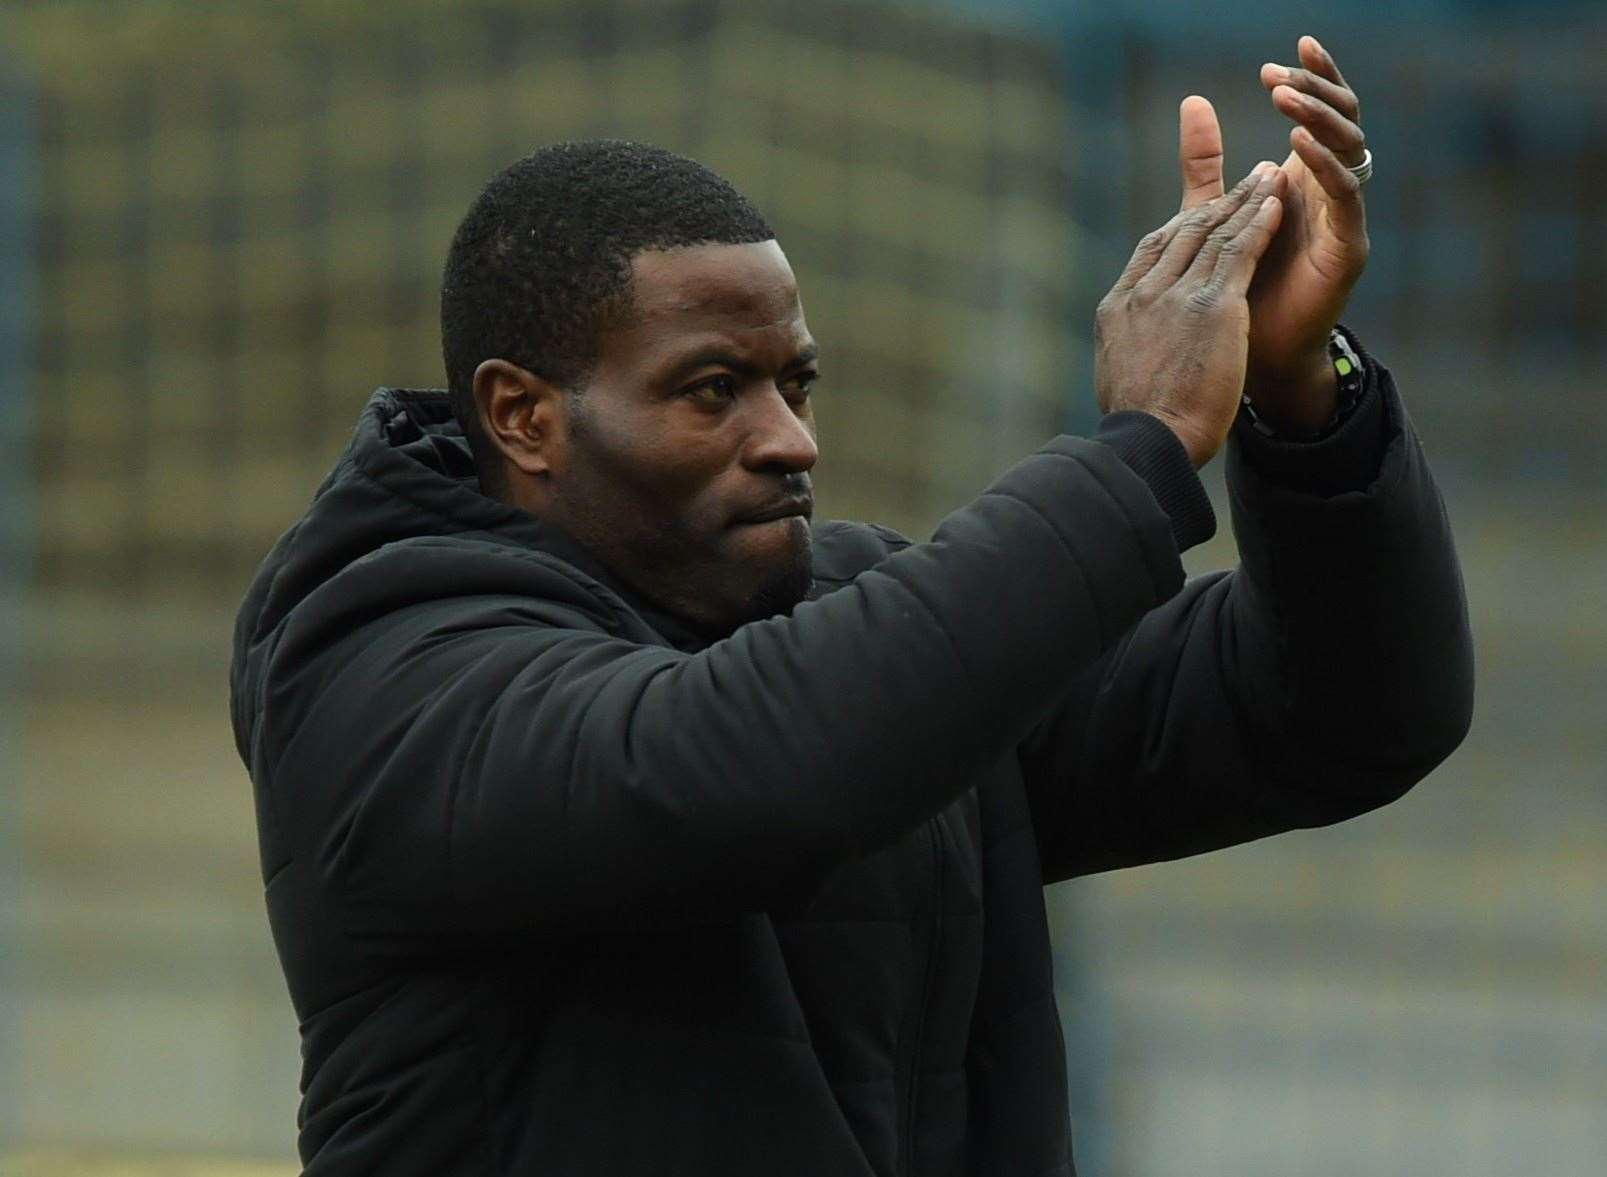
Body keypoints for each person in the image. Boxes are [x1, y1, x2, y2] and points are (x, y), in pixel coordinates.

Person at [230, 36, 1472, 1177]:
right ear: (523, 416)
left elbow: (1348, 712)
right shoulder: (383, 662)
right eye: (712, 389)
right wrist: (1139, 448)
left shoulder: (860, 631)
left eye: (795, 382)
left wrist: (1300, 396)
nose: (787, 440)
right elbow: (749, 768)